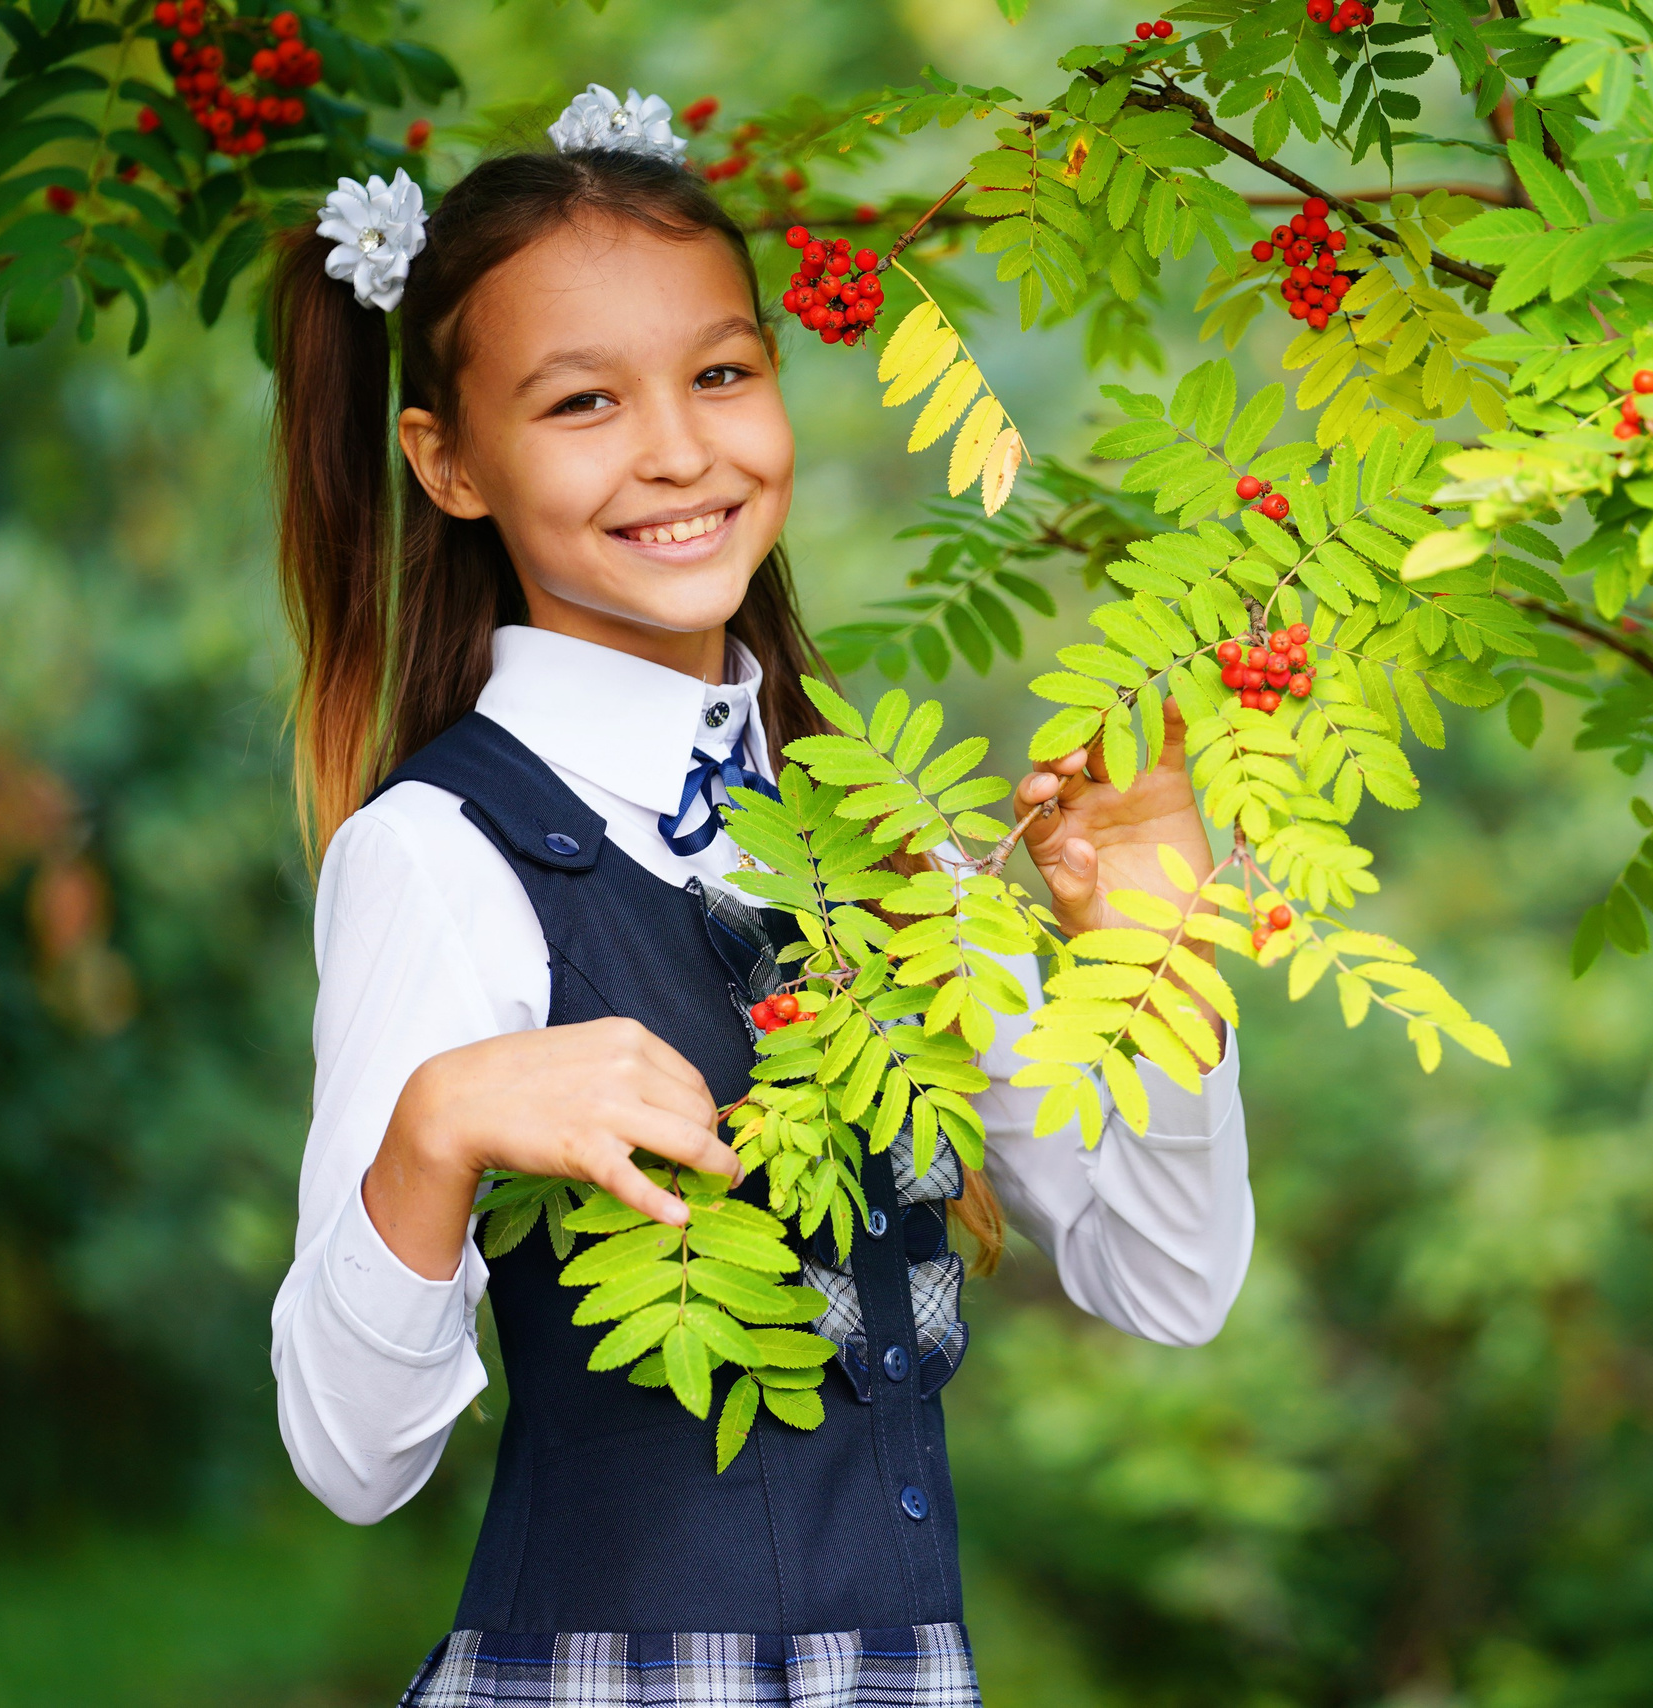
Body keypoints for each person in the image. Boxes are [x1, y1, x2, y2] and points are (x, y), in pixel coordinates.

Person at [266, 85, 1252, 1708]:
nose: (678, 448)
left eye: (721, 373)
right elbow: (348, 1455)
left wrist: (1160, 960)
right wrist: (434, 1132)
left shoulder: (882, 837)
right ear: (448, 463)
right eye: (583, 402)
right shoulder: (440, 852)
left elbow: (1167, 1285)